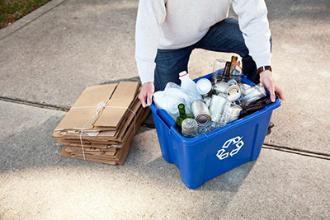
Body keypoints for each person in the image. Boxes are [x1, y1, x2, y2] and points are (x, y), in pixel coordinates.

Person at [135, 0, 285, 107]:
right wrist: (147, 79)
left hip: (210, 28)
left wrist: (264, 70)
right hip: (171, 43)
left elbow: (254, 18)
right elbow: (147, 26)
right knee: (170, 104)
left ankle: (254, 98)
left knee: (255, 43)